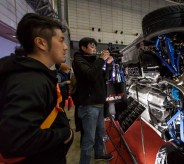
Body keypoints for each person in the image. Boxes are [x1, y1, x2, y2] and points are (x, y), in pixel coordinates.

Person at [0, 13, 73, 164]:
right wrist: (65, 133)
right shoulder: (30, 81)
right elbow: (17, 141)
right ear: (41, 43)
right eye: (61, 40)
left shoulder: (35, 75)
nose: (65, 46)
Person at [72, 37, 113, 164]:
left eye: (95, 47)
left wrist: (109, 64)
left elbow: (103, 77)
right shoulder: (78, 60)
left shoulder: (94, 61)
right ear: (83, 48)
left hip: (99, 103)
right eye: (91, 47)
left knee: (100, 133)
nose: (94, 49)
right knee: (89, 138)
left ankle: (99, 154)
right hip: (88, 105)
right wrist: (101, 59)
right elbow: (90, 74)